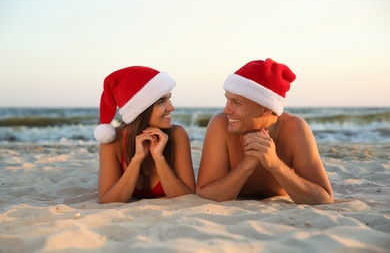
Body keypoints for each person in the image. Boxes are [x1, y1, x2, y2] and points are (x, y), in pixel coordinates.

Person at [196, 58, 333, 205]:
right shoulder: (221, 125)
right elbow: (205, 192)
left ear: (266, 108)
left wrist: (275, 164)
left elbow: (324, 198)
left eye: (236, 102)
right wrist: (247, 165)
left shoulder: (295, 129)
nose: (226, 110)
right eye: (228, 100)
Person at [94, 66, 195, 203]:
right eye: (160, 101)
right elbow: (107, 201)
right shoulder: (113, 141)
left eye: (169, 98)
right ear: (140, 110)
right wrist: (137, 159)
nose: (171, 107)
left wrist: (159, 158)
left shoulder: (178, 134)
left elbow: (186, 197)